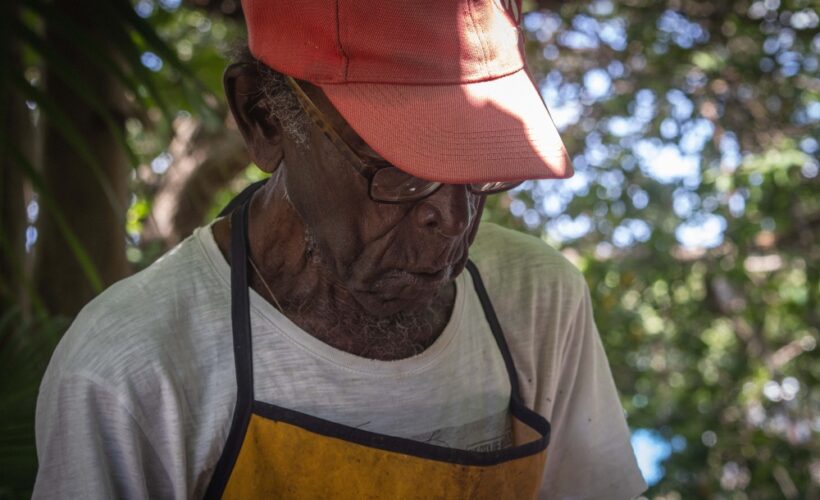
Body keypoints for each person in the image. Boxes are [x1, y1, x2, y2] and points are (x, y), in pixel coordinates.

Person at [33, 0, 646, 498]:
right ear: (263, 117)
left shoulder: (538, 303)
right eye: (402, 168)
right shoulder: (134, 369)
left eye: (477, 169)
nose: (454, 219)